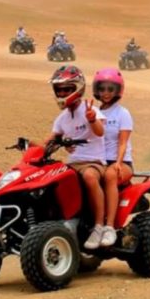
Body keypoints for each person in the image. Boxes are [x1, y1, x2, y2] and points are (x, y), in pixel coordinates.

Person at [43, 65, 108, 250]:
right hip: (72, 164)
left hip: (93, 162)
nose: (62, 93)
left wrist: (92, 119)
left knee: (89, 177)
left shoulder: (91, 110)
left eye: (67, 89)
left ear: (78, 88)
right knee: (49, 179)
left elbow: (100, 132)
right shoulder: (62, 118)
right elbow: (49, 140)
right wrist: (31, 146)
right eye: (59, 89)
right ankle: (61, 221)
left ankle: (99, 227)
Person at [94, 68, 133, 248]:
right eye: (102, 89)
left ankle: (109, 227)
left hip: (122, 162)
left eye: (110, 89)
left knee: (110, 176)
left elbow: (123, 142)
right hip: (99, 161)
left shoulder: (122, 113)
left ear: (118, 91)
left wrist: (118, 162)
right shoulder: (94, 112)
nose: (106, 93)